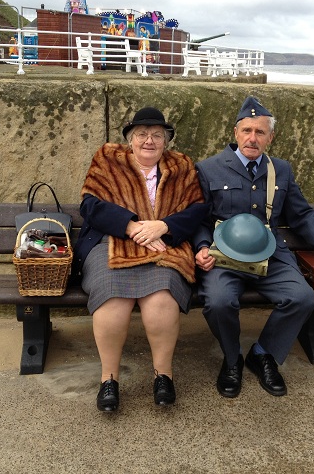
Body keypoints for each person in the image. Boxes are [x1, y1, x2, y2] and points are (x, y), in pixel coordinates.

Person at [193, 96, 314, 398]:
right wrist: (202, 246)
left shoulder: (280, 169)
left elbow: (301, 214)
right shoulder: (209, 169)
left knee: (302, 298)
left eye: (260, 132)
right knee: (218, 302)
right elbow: (200, 219)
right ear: (235, 133)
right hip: (225, 255)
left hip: (271, 252)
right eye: (246, 131)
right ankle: (232, 359)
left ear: (270, 137)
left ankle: (264, 354)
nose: (252, 138)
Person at [75, 107, 208, 412]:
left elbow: (198, 209)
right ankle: (109, 379)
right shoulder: (108, 159)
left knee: (161, 299)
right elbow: (90, 205)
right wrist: (132, 226)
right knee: (113, 299)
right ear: (130, 139)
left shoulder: (182, 165)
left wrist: (164, 226)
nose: (149, 140)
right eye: (142, 134)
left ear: (166, 140)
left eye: (157, 135)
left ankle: (164, 376)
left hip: (165, 245)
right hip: (113, 242)